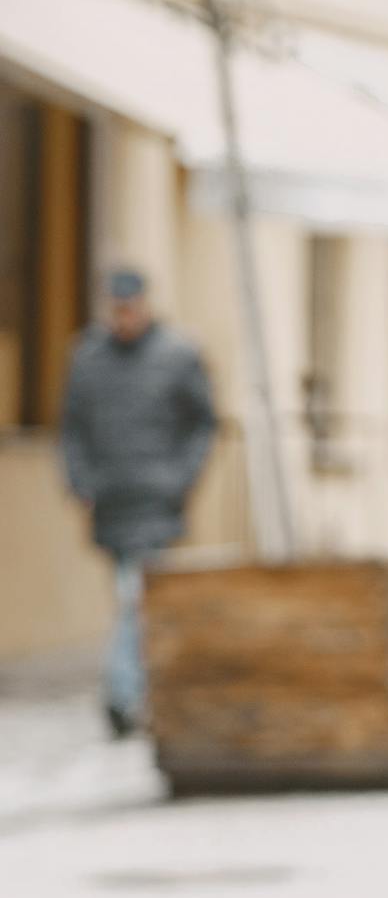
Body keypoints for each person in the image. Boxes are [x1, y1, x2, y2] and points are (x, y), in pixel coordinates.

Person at [59, 268, 217, 737]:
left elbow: (203, 423)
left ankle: (122, 694)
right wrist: (80, 481)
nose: (124, 317)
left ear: (145, 305)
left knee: (134, 596)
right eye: (117, 308)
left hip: (156, 500)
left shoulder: (177, 355)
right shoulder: (87, 357)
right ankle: (144, 690)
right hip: (111, 500)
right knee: (134, 599)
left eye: (130, 308)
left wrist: (179, 479)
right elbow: (71, 427)